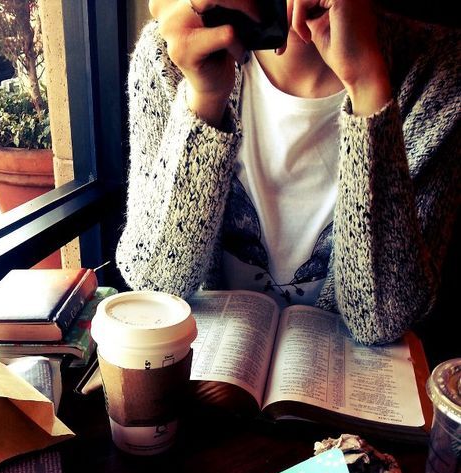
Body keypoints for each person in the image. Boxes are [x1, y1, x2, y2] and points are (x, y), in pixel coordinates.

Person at [115, 0, 460, 345]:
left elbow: (381, 322)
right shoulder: (174, 52)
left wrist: (368, 85)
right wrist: (203, 98)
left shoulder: (439, 71)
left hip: (347, 376)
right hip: (209, 369)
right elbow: (154, 288)